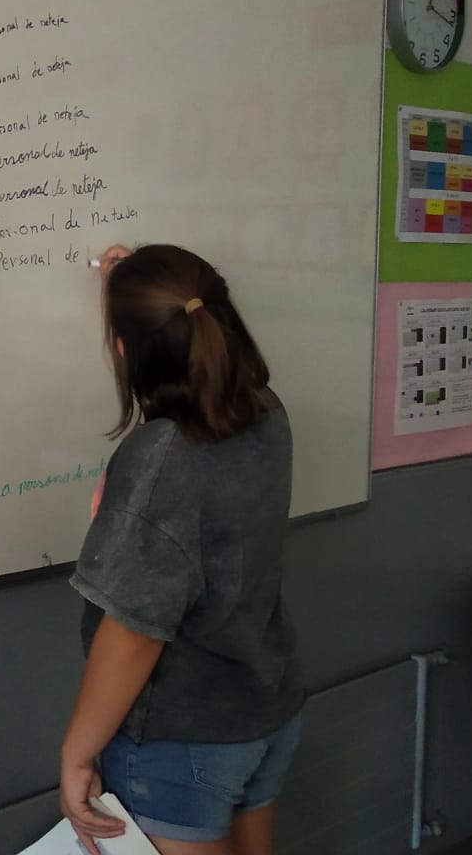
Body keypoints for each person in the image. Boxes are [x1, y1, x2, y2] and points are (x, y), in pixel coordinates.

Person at [59, 244, 303, 855]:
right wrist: (132, 287)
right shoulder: (265, 411)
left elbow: (134, 634)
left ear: (124, 349)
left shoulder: (160, 460)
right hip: (264, 710)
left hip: (181, 741)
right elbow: (187, 305)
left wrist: (77, 753)